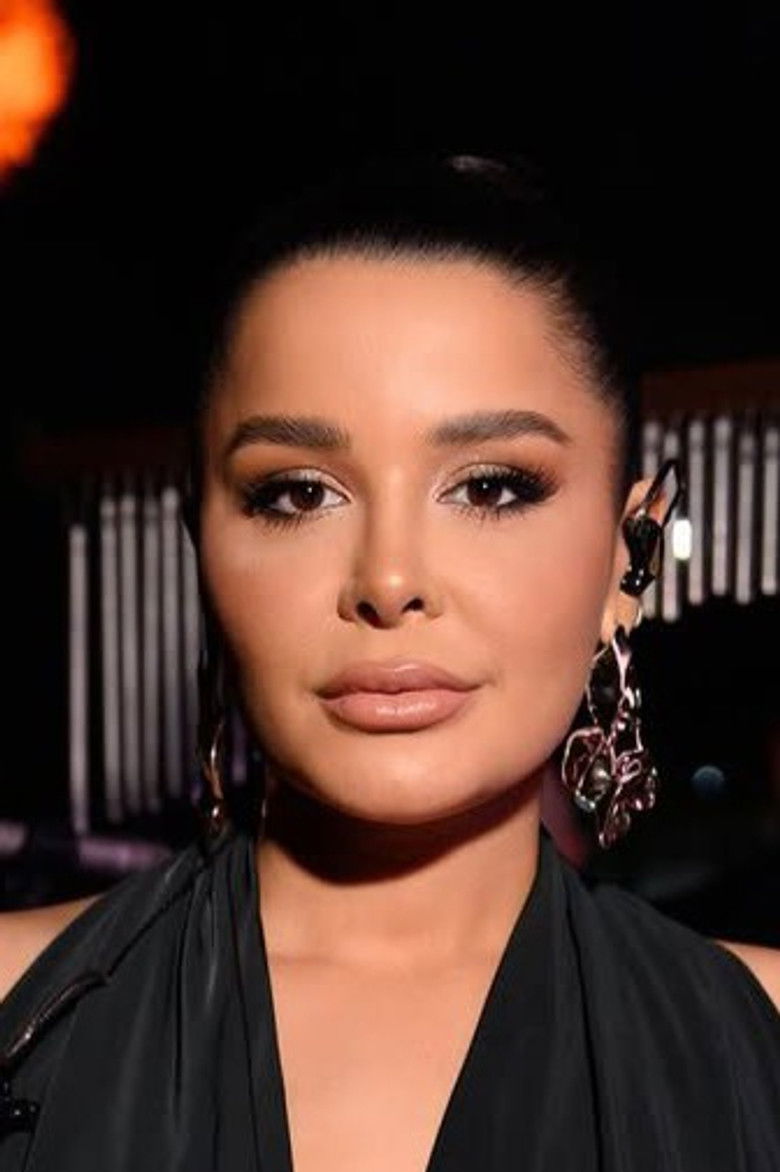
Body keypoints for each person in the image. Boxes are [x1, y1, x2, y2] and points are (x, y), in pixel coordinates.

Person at [1, 151, 779, 1171]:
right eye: (298, 493)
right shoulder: (21, 1006)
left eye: (490, 487)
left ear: (625, 561)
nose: (390, 579)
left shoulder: (755, 1047)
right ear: (202, 543)